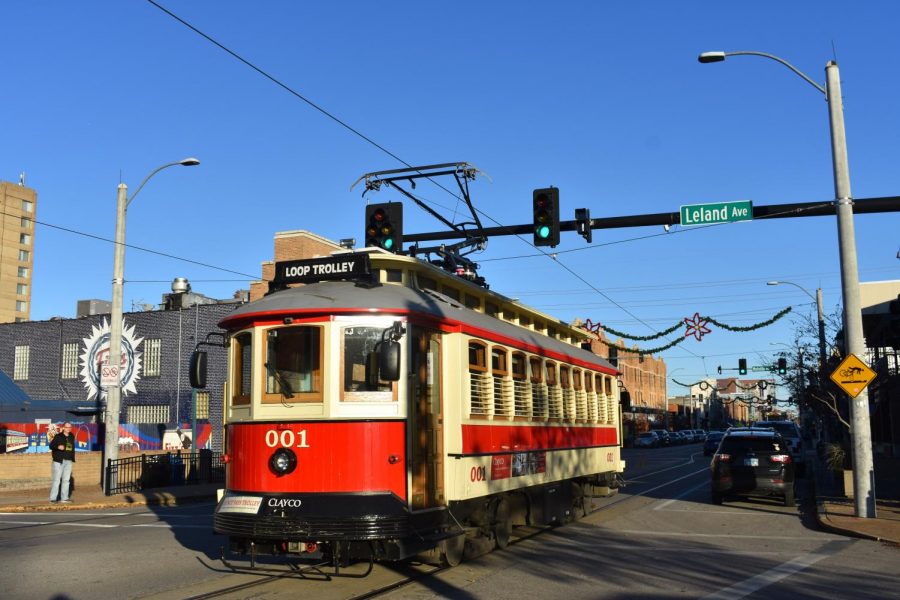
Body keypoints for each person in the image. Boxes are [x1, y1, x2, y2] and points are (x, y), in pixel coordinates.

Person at [49, 422, 75, 503]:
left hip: (69, 460)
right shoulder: (58, 436)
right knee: (57, 480)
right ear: (63, 428)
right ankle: (53, 499)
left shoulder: (71, 436)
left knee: (66, 480)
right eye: (67, 427)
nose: (69, 429)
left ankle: (64, 498)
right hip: (59, 461)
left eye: (70, 427)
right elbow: (51, 446)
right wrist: (58, 447)